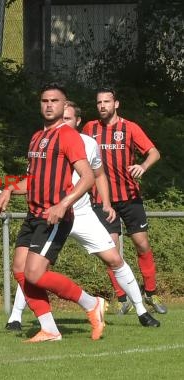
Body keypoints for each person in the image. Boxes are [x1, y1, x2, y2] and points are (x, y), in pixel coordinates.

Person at [4, 102, 160, 332]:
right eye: (61, 117)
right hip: (52, 213)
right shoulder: (42, 140)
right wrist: (8, 188)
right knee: (30, 266)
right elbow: (35, 179)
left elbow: (97, 175)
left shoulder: (88, 143)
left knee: (114, 259)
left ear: (78, 122)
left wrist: (106, 203)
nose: (63, 122)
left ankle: (142, 310)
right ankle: (16, 316)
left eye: (68, 118)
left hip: (82, 213)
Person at [0, 83, 106, 343]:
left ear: (64, 105)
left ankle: (92, 304)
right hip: (34, 214)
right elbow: (33, 179)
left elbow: (88, 177)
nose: (49, 105)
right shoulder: (36, 137)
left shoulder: (67, 135)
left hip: (54, 216)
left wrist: (63, 204)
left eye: (54, 101)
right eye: (44, 100)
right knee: (21, 271)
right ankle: (50, 329)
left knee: (35, 273)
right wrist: (9, 189)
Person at [81, 87, 166, 315]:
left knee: (142, 244)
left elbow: (154, 152)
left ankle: (150, 292)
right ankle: (122, 298)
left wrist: (143, 166)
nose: (102, 106)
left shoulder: (129, 128)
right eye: (99, 102)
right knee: (111, 251)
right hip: (102, 200)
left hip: (129, 198)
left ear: (116, 104)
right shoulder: (90, 128)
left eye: (107, 102)